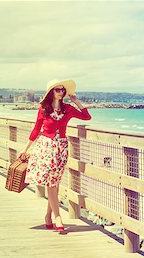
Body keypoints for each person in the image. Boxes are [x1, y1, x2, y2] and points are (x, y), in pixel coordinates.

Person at [19, 79, 91, 233]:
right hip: (46, 148)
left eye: (62, 90)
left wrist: (76, 101)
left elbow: (86, 117)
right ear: (51, 92)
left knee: (55, 183)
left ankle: (47, 215)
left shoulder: (68, 109)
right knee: (51, 183)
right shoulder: (43, 109)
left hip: (61, 149)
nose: (60, 92)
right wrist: (25, 149)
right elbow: (36, 129)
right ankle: (58, 218)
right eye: (57, 89)